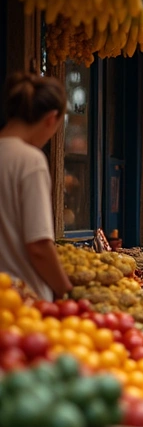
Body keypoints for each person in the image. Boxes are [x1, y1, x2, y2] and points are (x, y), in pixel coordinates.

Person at [0, 73, 71, 300]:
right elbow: (39, 247)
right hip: (21, 300)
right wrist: (67, 292)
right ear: (51, 119)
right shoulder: (30, 160)